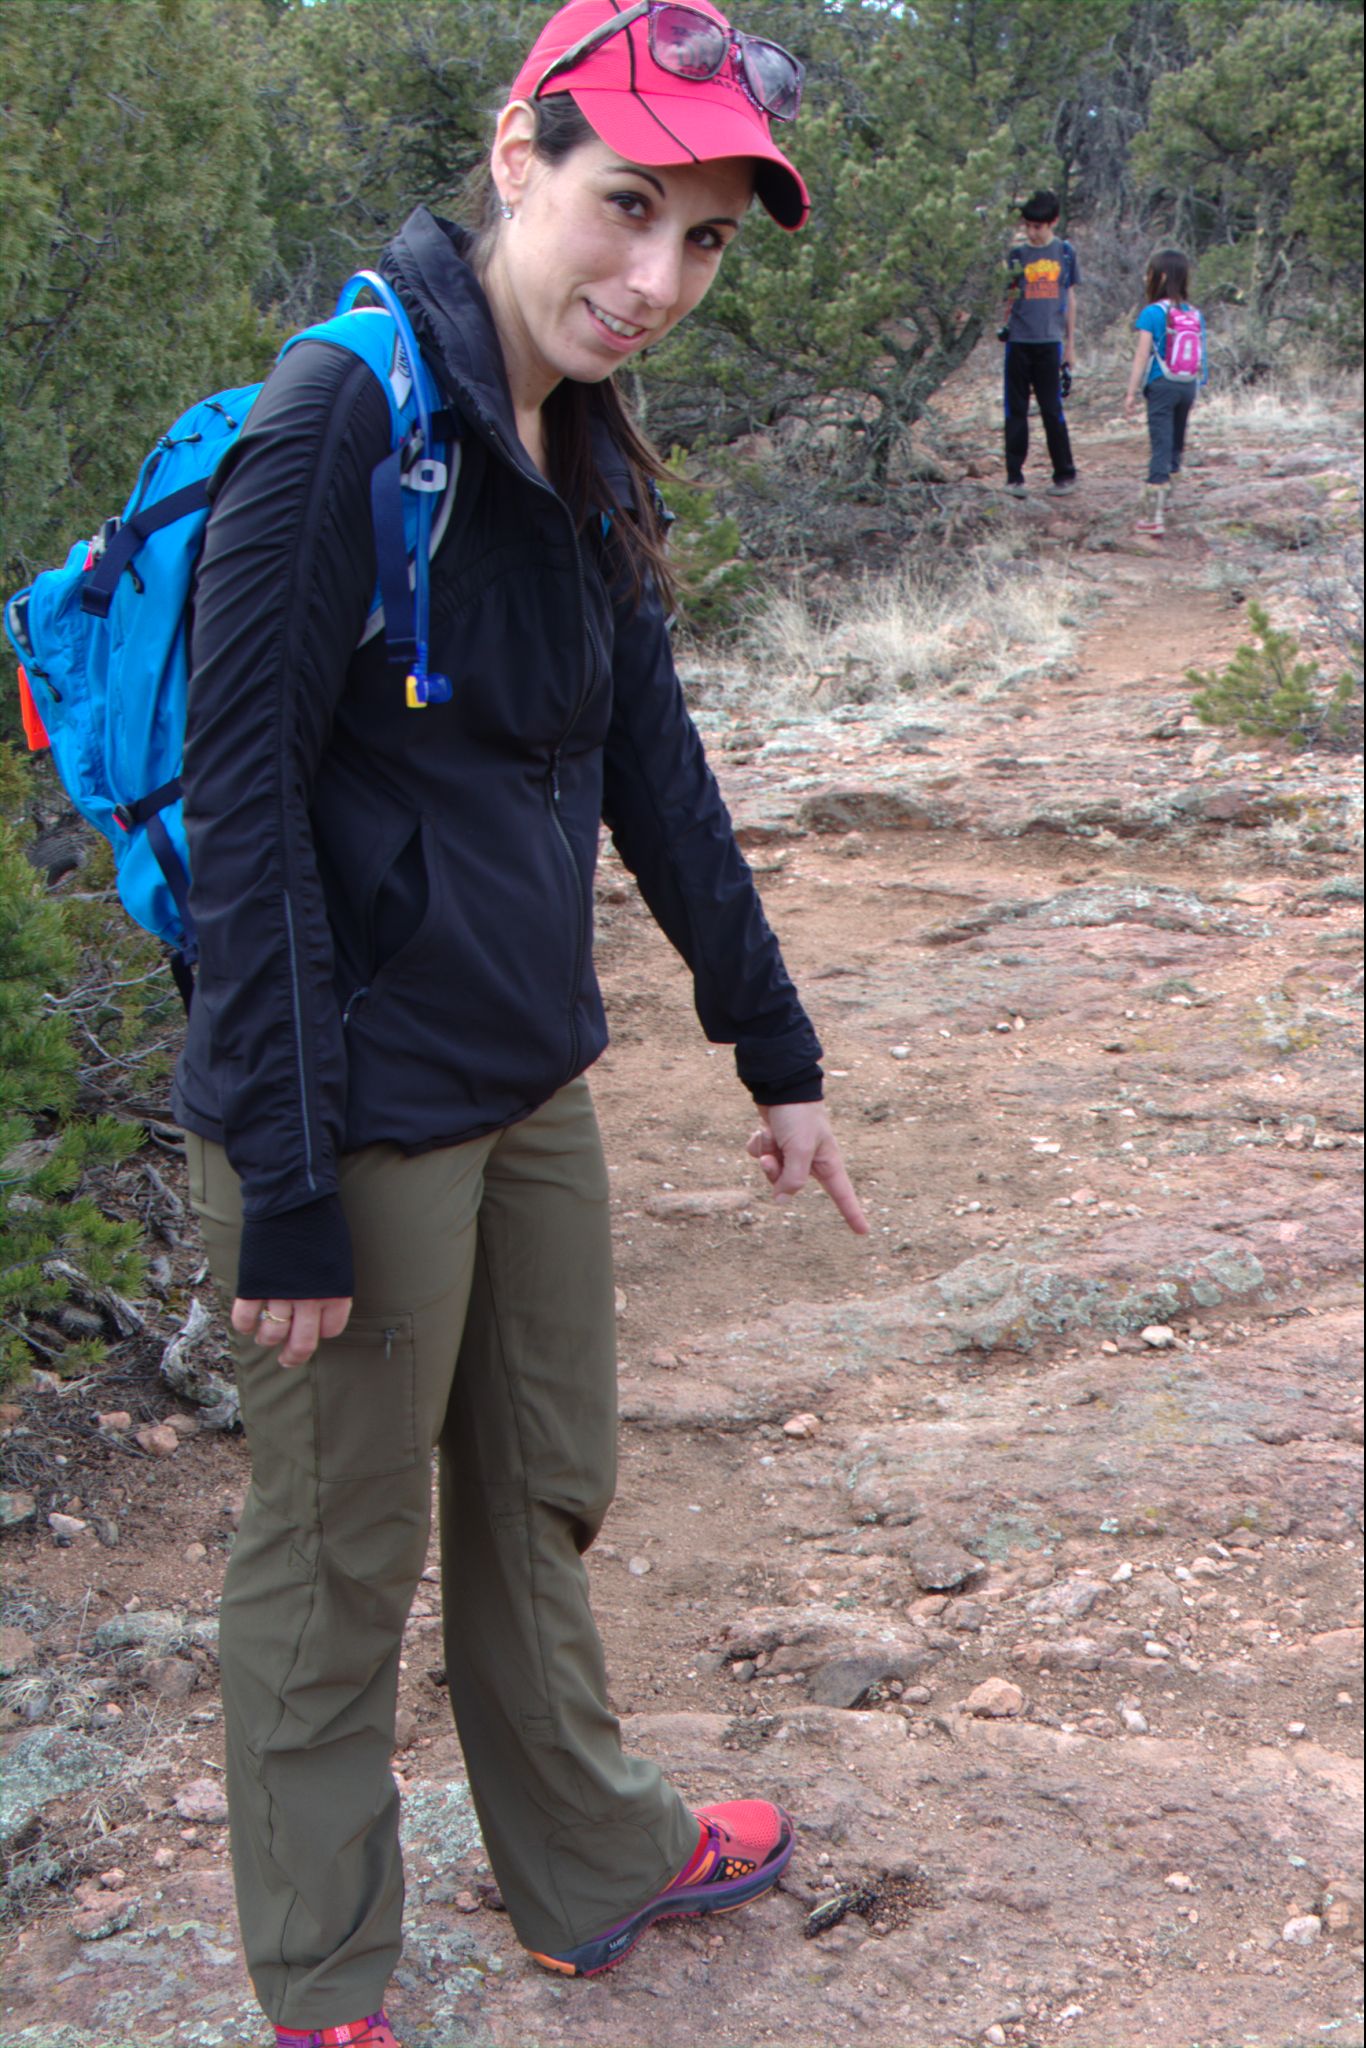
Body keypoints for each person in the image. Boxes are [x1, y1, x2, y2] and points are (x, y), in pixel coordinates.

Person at [172, 5, 868, 2045]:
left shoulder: (577, 432)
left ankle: (589, 1862)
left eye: (705, 241)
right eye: (625, 205)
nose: (653, 278)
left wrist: (775, 1046)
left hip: (520, 1073)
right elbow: (241, 824)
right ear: (516, 154)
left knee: (537, 1486)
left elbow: (651, 759)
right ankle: (325, 1991)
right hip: (354, 1109)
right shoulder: (338, 422)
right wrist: (286, 1182)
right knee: (329, 1564)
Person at [1000, 190, 1080, 499]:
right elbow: (1009, 295)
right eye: (1028, 226)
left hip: (1050, 342)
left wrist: (1070, 345)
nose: (1032, 233)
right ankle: (1014, 476)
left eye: (1038, 227)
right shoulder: (1017, 255)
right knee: (1015, 410)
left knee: (1052, 409)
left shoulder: (1065, 253)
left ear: (1053, 222)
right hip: (1019, 342)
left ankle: (1065, 473)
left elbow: (1070, 298)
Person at [1123, 247, 1208, 536]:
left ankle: (1152, 516)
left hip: (1162, 385)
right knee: (1175, 441)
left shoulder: (1152, 313)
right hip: (1187, 384)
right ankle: (1168, 500)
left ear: (1158, 277)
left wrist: (1131, 393)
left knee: (1159, 443)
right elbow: (1202, 354)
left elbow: (1141, 356)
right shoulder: (1194, 313)